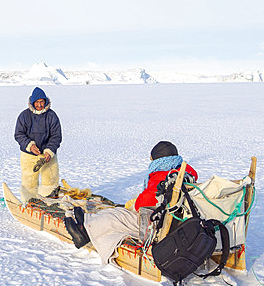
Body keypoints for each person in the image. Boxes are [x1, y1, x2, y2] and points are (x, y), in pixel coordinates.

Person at [64, 141, 198, 265]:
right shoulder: (183, 172)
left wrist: (136, 202)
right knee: (117, 212)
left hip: (154, 226)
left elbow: (143, 203)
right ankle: (87, 221)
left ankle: (84, 233)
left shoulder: (162, 177)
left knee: (115, 217)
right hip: (169, 219)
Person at [14, 87, 62, 202]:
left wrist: (50, 150)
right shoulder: (24, 116)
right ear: (32, 102)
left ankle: (50, 203)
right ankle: (29, 202)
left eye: (42, 101)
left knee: (50, 180)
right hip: (28, 155)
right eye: (37, 102)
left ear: (45, 101)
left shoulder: (52, 116)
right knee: (29, 182)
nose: (40, 104)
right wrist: (30, 146)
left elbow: (56, 136)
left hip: (47, 155)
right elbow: (18, 134)